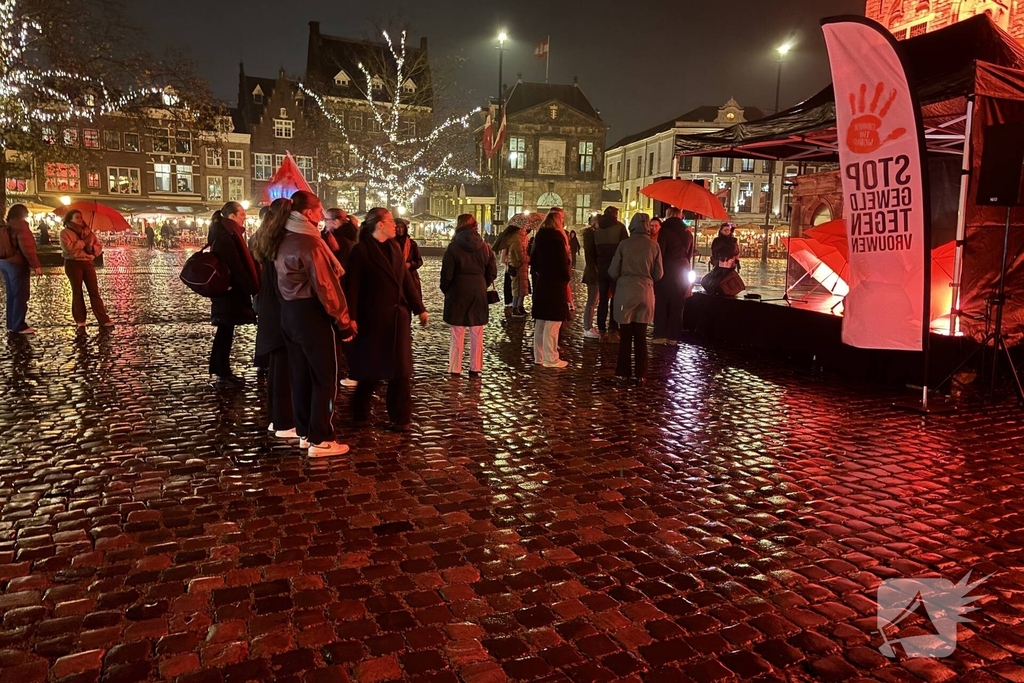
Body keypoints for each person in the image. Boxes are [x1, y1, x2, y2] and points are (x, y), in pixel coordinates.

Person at [274, 191, 354, 457]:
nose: (322, 215)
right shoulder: (309, 242)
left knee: (300, 375)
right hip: (311, 315)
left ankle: (305, 432)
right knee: (325, 377)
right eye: (319, 210)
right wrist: (343, 322)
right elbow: (326, 286)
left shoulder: (282, 237)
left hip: (289, 313)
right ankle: (321, 437)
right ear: (308, 213)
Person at [346, 208, 429, 432]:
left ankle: (401, 418)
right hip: (373, 318)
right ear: (379, 225)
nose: (396, 225)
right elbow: (352, 287)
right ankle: (359, 413)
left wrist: (419, 308)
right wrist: (351, 317)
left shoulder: (394, 247)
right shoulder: (361, 251)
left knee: (401, 371)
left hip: (397, 319)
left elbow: (406, 282)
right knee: (371, 370)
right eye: (391, 221)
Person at [250, 198, 296, 443]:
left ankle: (275, 418)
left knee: (278, 366)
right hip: (280, 305)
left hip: (269, 304)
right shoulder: (282, 240)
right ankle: (284, 421)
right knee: (284, 367)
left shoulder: (265, 236)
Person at [207, 201, 258, 386]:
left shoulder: (225, 232)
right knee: (225, 330)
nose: (244, 216)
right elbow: (234, 265)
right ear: (232, 216)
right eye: (242, 213)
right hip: (228, 291)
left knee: (225, 330)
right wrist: (252, 287)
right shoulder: (226, 234)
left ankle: (221, 370)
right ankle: (223, 373)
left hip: (225, 291)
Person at [440, 214, 497, 377]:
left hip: (458, 290)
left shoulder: (453, 247)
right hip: (478, 290)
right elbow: (492, 271)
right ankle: (475, 367)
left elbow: (446, 274)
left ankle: (455, 367)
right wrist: (482, 283)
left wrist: (448, 290)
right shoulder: (485, 247)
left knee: (457, 332)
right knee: (477, 332)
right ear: (475, 227)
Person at [609, 213, 664, 383]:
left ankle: (623, 371)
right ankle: (641, 373)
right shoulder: (654, 246)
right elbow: (659, 273)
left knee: (625, 335)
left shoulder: (624, 245)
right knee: (640, 336)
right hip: (645, 293)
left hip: (626, 292)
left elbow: (613, 270)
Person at [321, 208, 361, 389]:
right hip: (348, 289)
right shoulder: (353, 237)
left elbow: (336, 268)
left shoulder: (338, 240)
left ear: (336, 221)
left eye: (327, 220)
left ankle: (349, 370)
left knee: (343, 331)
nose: (325, 223)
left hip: (340, 289)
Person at [530, 207, 572, 368]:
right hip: (555, 283)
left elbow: (534, 262)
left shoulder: (540, 236)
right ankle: (550, 357)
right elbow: (562, 263)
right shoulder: (557, 238)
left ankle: (538, 356)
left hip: (543, 282)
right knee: (553, 321)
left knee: (541, 320)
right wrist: (566, 276)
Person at [60, 210, 113, 329]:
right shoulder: (65, 232)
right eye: (77, 217)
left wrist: (92, 250)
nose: (80, 219)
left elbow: (98, 246)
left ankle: (103, 319)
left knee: (94, 291)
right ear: (70, 219)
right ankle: (80, 319)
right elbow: (68, 248)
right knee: (77, 291)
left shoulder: (89, 233)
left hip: (87, 262)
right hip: (73, 263)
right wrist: (83, 243)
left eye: (81, 217)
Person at [653, 207, 695, 346]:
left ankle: (660, 334)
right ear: (680, 215)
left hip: (666, 268)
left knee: (662, 301)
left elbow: (661, 251)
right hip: (682, 268)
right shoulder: (687, 232)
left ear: (668, 215)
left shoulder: (664, 230)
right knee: (678, 303)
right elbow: (689, 254)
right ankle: (673, 336)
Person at [1, 204, 43, 334]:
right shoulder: (22, 227)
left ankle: (11, 323)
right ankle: (19, 325)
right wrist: (36, 265)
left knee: (12, 294)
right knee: (21, 294)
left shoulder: (7, 225)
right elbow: (28, 249)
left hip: (4, 262)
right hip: (18, 264)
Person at [594, 206, 628, 341]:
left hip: (602, 267)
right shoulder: (620, 227)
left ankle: (601, 329)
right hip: (616, 267)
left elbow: (593, 250)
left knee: (602, 300)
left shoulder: (597, 228)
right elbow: (625, 248)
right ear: (616, 214)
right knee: (615, 298)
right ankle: (613, 328)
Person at [581, 215, 601, 340]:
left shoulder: (590, 235)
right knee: (592, 301)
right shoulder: (591, 236)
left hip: (593, 271)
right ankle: (588, 327)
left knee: (593, 301)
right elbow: (591, 255)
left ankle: (588, 326)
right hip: (593, 273)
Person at [394, 218, 423, 298]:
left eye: (402, 227)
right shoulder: (391, 243)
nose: (400, 230)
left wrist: (410, 265)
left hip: (410, 277)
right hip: (395, 276)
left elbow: (419, 261)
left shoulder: (412, 244)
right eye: (398, 227)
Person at [507, 222, 530, 317]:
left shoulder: (520, 241)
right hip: (518, 269)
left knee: (522, 289)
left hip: (521, 269)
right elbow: (521, 257)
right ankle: (515, 308)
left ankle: (520, 306)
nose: (525, 231)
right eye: (524, 229)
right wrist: (528, 258)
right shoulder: (517, 242)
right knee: (517, 289)